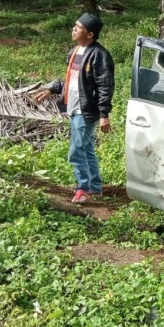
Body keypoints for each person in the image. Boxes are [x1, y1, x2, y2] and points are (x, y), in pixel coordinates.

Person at [33, 14, 115, 204]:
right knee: (86, 149)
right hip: (74, 107)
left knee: (76, 151)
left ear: (90, 34)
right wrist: (52, 89)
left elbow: (105, 85)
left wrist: (104, 114)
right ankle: (95, 187)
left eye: (78, 27)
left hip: (86, 111)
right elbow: (71, 81)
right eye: (74, 26)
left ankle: (83, 188)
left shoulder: (99, 55)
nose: (74, 29)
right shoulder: (74, 52)